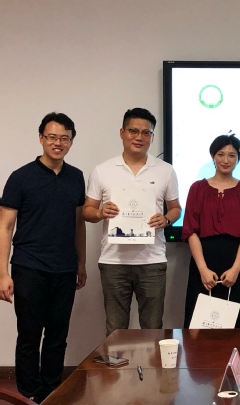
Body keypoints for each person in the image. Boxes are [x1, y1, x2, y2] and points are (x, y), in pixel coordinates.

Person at [0, 112, 86, 403]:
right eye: (52, 137)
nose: (57, 143)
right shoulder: (21, 177)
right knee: (29, 335)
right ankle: (28, 394)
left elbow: (79, 223)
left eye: (64, 138)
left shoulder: (76, 177)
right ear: (41, 138)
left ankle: (51, 392)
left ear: (71, 142)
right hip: (29, 267)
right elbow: (5, 226)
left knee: (57, 336)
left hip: (64, 268)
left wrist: (81, 263)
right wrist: (2, 273)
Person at [82, 108, 181, 335]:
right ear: (122, 132)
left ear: (152, 137)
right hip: (114, 262)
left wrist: (166, 219)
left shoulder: (166, 171)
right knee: (115, 330)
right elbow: (87, 211)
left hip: (152, 260)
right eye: (133, 131)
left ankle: (152, 361)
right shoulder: (102, 170)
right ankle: (117, 361)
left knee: (153, 329)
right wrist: (101, 213)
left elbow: (176, 208)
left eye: (146, 133)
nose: (139, 137)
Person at [181, 135, 240, 328]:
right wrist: (203, 269)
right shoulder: (197, 188)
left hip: (235, 261)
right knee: (200, 323)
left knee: (237, 323)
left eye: (232, 155)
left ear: (238, 158)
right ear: (213, 156)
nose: (226, 160)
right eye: (221, 154)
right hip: (204, 260)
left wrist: (236, 268)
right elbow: (190, 230)